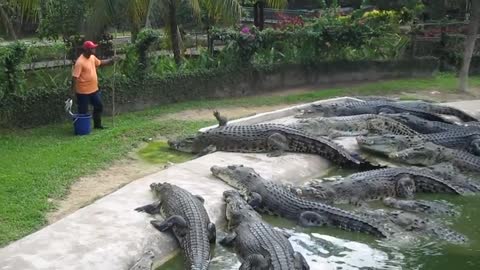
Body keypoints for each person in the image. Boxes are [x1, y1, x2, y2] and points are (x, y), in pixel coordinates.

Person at [71, 40, 116, 129]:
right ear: (87, 50)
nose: (94, 50)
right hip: (83, 92)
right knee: (83, 111)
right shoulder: (80, 62)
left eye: (94, 48)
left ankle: (97, 125)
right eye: (92, 48)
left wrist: (111, 60)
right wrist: (72, 92)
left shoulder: (92, 57)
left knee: (99, 106)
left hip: (93, 90)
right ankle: (83, 128)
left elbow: (100, 62)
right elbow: (74, 78)